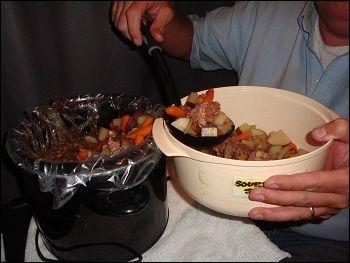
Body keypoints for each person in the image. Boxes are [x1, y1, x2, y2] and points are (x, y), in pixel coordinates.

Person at [111, 1, 349, 261]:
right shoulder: (269, 11)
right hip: (219, 205)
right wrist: (160, 17)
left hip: (325, 240)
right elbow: (192, 38)